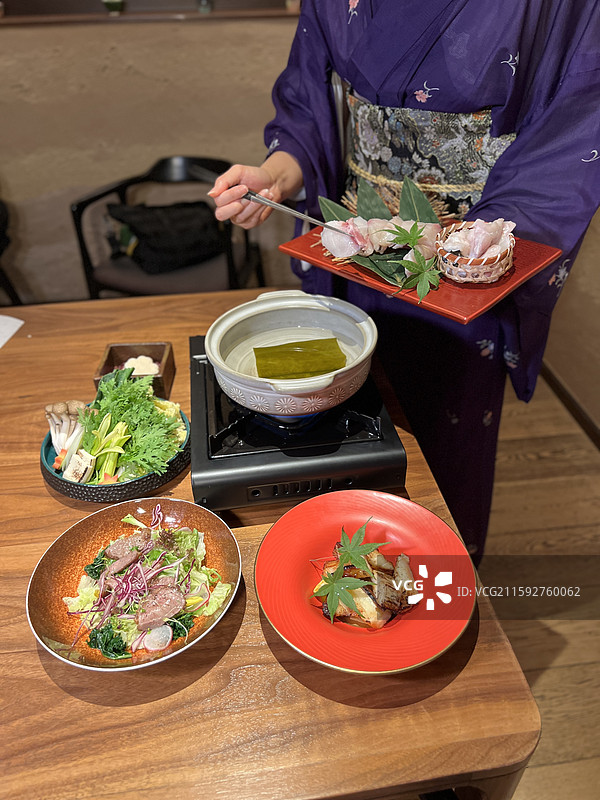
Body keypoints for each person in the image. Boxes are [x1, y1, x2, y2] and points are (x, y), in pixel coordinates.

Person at [209, 0, 600, 564]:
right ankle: (338, 590)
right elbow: (308, 105)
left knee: (441, 454)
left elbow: (575, 125)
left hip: (459, 270)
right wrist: (274, 176)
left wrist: (468, 244)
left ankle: (436, 606)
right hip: (354, 255)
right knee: (336, 428)